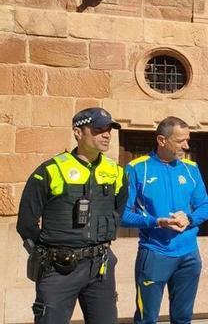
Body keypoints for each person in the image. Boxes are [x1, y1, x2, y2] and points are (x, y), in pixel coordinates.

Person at [17, 107, 127, 324]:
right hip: (59, 268)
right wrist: (49, 253)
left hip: (100, 267)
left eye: (108, 129)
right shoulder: (50, 170)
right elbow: (26, 223)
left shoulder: (116, 172)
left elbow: (117, 212)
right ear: (78, 132)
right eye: (98, 129)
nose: (106, 134)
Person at [121, 116, 208, 324]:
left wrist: (190, 219)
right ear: (162, 140)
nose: (187, 146)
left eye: (188, 139)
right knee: (146, 318)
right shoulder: (136, 168)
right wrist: (155, 221)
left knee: (183, 318)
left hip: (189, 255)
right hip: (154, 254)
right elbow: (122, 215)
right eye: (181, 141)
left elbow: (205, 206)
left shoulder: (191, 168)